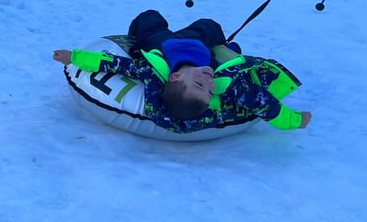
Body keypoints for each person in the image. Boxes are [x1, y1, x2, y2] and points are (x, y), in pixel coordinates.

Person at [52, 9, 312, 133]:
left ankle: (143, 27)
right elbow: (264, 103)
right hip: (201, 48)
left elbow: (113, 63)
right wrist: (295, 121)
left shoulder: (152, 74)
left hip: (159, 45)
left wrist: (73, 57)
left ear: (175, 77)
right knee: (209, 27)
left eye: (200, 84)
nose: (209, 83)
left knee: (150, 20)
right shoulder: (225, 84)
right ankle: (222, 45)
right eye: (209, 90)